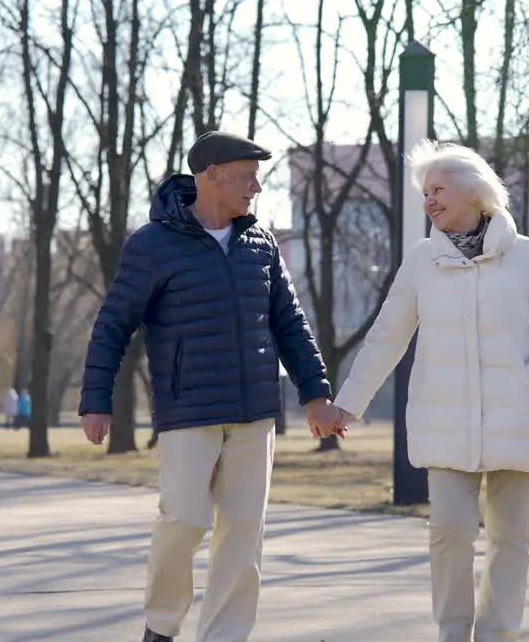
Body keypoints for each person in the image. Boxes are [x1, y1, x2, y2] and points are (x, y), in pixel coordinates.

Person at [78, 130, 345, 642]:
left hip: (255, 412)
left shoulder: (259, 243)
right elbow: (113, 324)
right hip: (188, 409)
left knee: (243, 535)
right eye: (248, 177)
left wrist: (316, 393)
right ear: (213, 175)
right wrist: (97, 401)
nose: (256, 188)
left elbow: (290, 323)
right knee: (184, 521)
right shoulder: (152, 244)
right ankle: (161, 623)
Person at [331, 140, 529, 642]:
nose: (430, 202)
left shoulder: (528, 257)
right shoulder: (422, 261)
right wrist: (348, 403)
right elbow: (386, 337)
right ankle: (452, 633)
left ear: (474, 190)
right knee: (449, 535)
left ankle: (496, 634)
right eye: (426, 193)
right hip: (445, 425)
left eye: (438, 189)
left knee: (511, 540)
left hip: (518, 420)